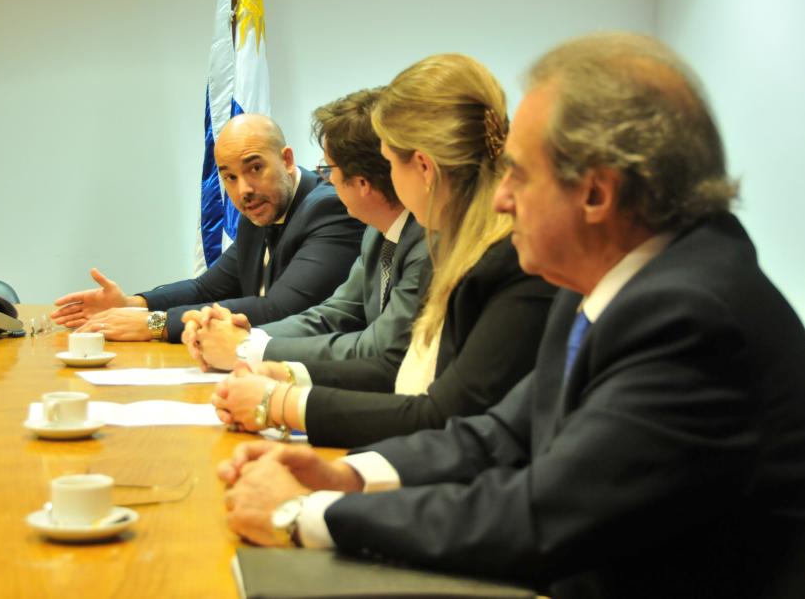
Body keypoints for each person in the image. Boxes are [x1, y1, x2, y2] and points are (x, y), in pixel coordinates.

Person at [217, 33, 805, 599]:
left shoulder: (691, 318)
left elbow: (539, 515)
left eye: (520, 174)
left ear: (596, 195)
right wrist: (349, 478)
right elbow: (501, 432)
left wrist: (304, 514)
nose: (500, 197)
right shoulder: (602, 280)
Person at [211, 54, 554, 448]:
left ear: (423, 168)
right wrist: (289, 376)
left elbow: (439, 412)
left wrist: (285, 400)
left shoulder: (497, 258)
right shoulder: (454, 241)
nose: (383, 179)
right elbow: (407, 373)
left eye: (388, 163)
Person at [49, 114, 365, 343]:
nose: (243, 190)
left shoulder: (330, 208)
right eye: (229, 177)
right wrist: (133, 304)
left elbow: (280, 308)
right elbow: (208, 288)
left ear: (286, 160)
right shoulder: (260, 209)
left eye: (255, 168)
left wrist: (156, 323)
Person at [183, 88, 429, 371]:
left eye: (329, 168)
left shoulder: (426, 243)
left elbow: (378, 347)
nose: (327, 178)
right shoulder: (377, 233)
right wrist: (244, 338)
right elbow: (334, 314)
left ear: (362, 182)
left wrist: (248, 349)